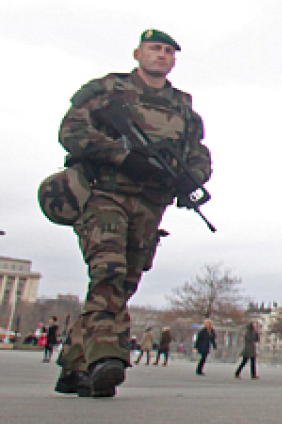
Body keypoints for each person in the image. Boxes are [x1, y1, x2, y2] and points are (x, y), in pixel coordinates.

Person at [52, 29, 211, 399]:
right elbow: (71, 132)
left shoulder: (183, 108)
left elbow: (198, 154)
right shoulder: (107, 91)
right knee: (109, 271)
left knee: (123, 284)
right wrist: (123, 157)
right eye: (155, 49)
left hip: (150, 203)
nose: (162, 55)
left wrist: (191, 179)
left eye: (169, 51)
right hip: (104, 194)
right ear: (138, 53)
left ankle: (73, 366)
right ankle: (105, 360)